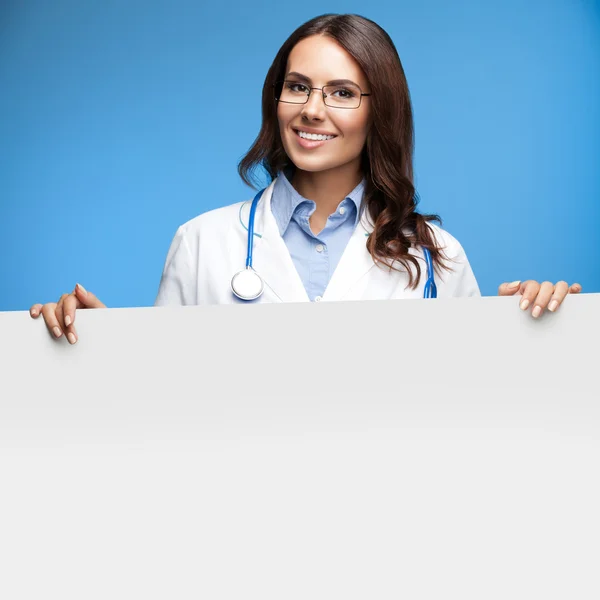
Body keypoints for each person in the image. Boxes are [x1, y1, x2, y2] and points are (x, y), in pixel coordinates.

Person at [30, 13, 581, 345]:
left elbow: (481, 406)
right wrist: (100, 350)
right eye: (297, 86)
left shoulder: (439, 257)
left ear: (379, 110)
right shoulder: (201, 243)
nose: (312, 110)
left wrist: (539, 322)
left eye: (342, 93)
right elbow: (156, 409)